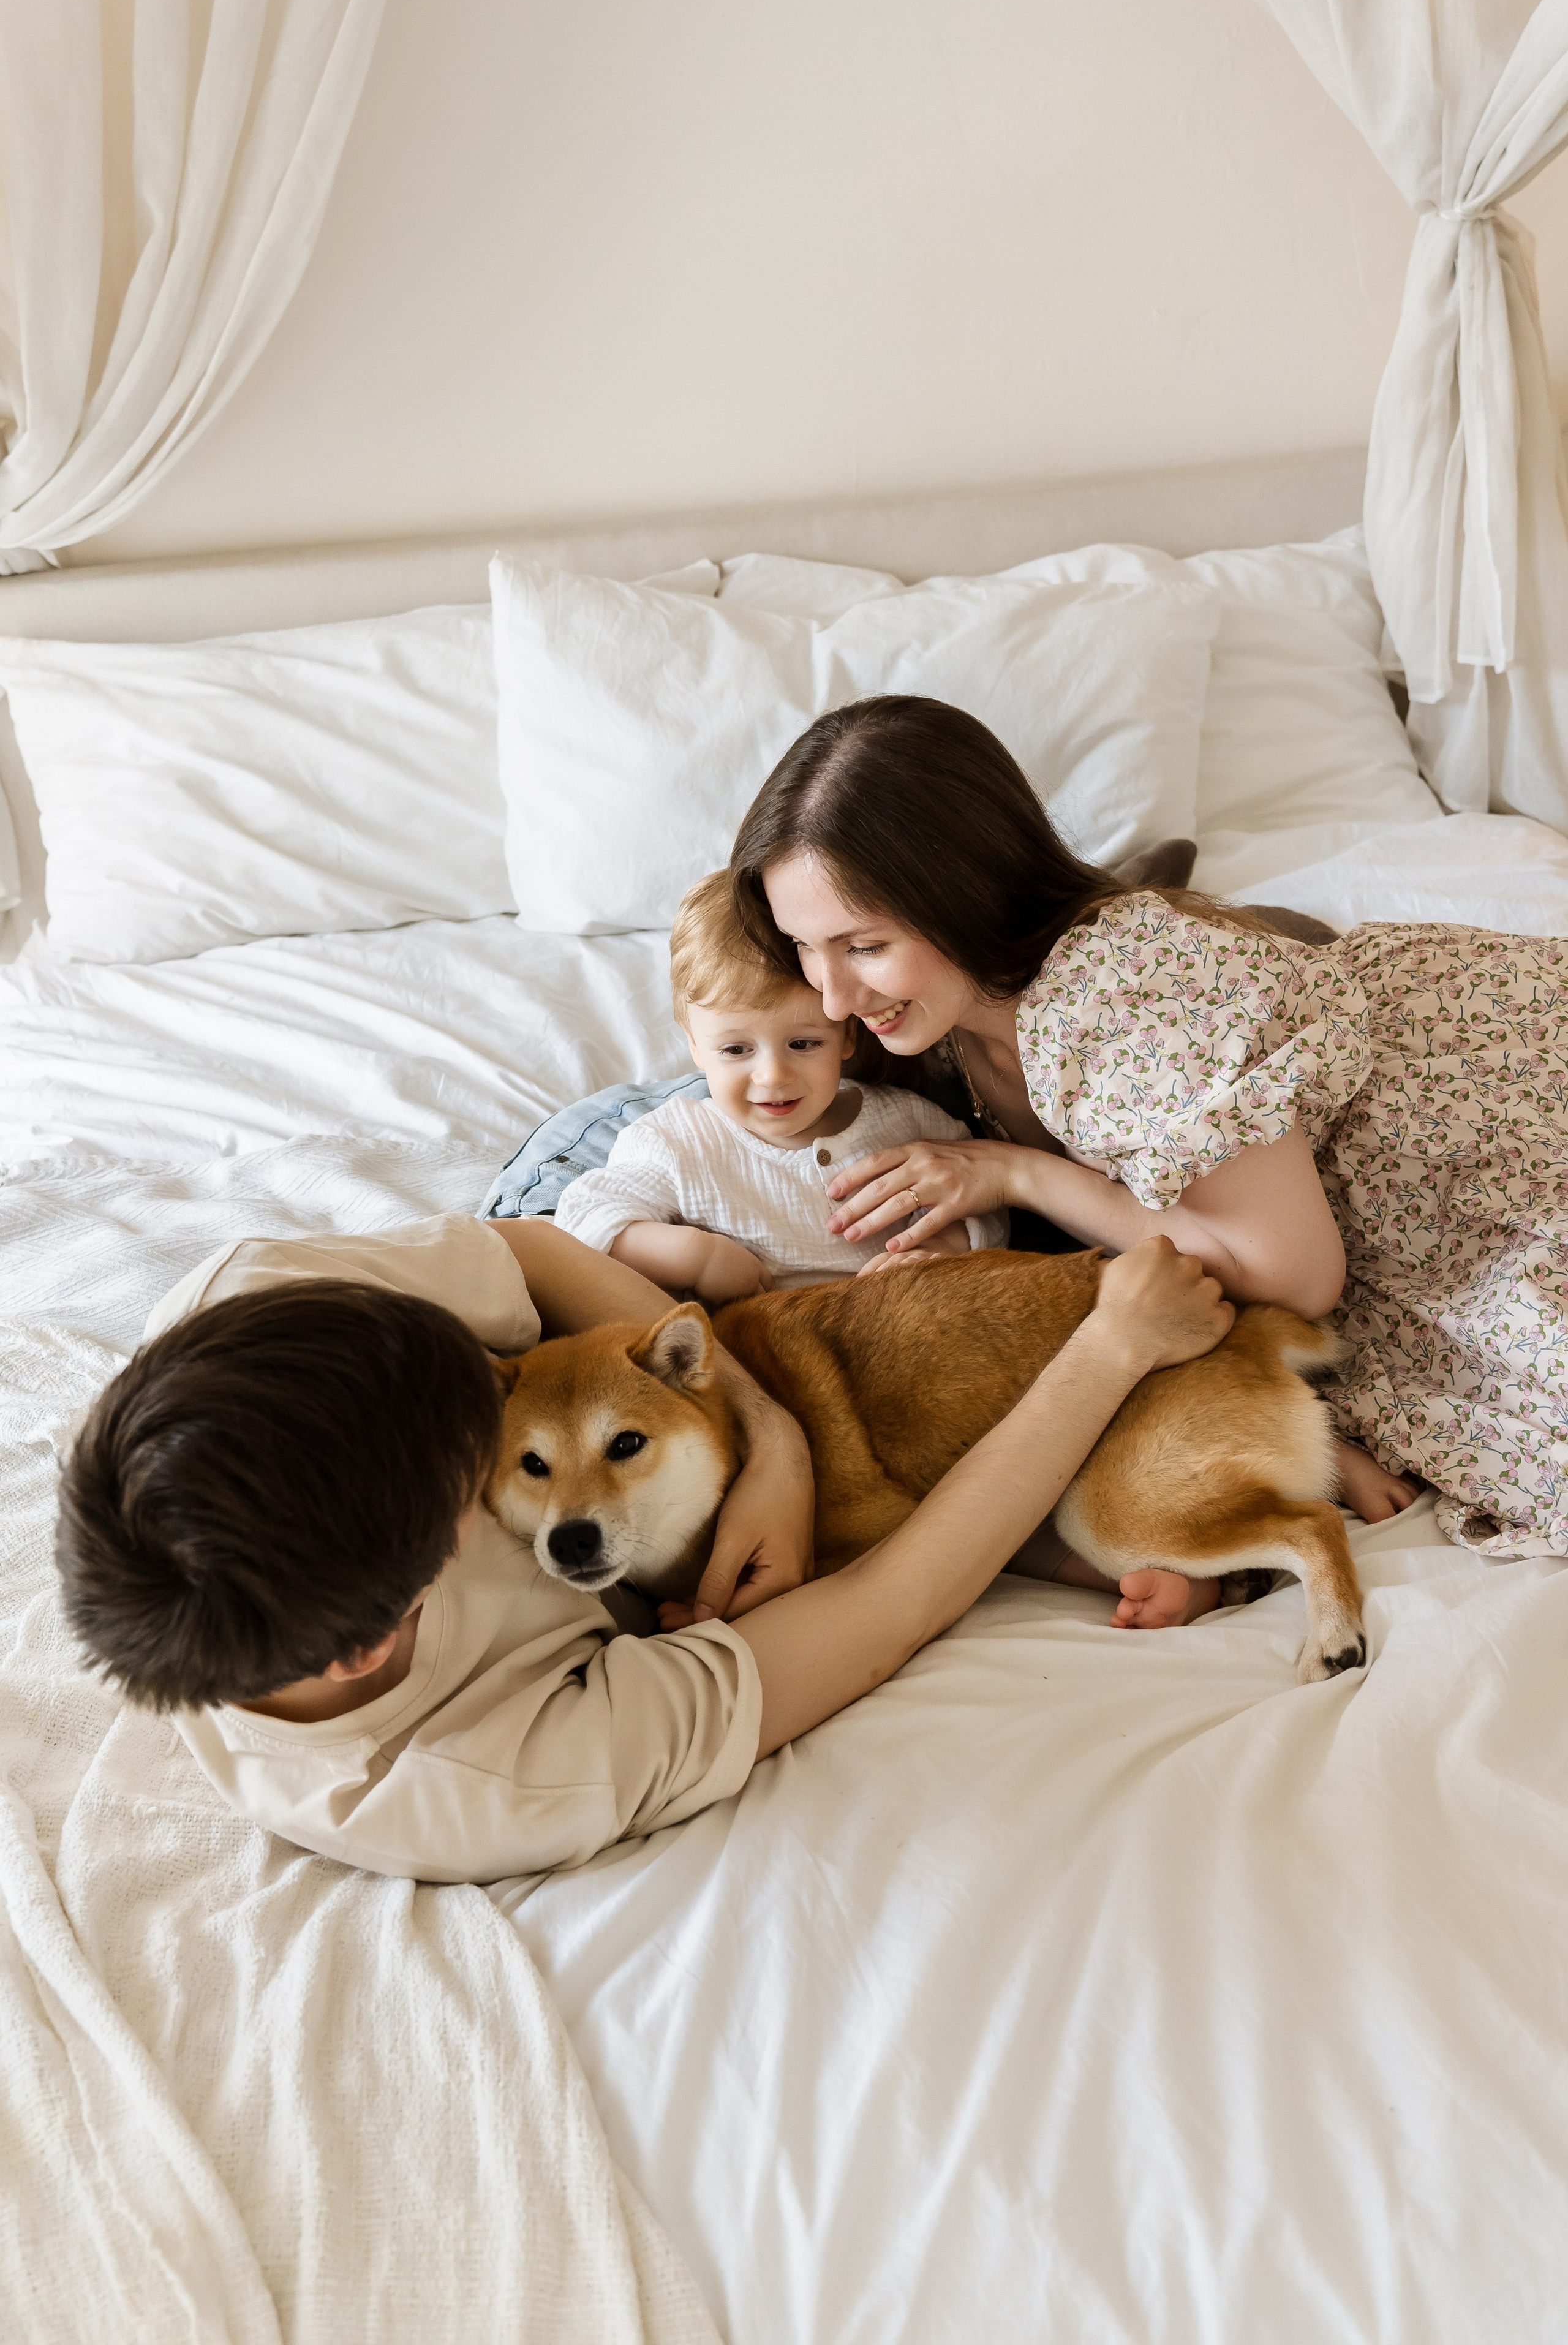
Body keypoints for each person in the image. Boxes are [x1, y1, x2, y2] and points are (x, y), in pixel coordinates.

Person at [51, 1210, 1230, 1884]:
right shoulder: (490, 1778)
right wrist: (1112, 1349)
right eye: (485, 1460)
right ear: (384, 1629)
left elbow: (525, 1252)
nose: (490, 1387)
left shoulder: (260, 1317)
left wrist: (771, 1438)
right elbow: (889, 1609)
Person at [731, 693, 1568, 1611]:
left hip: (1489, 1126)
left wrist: (1020, 1173)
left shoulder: (1112, 997)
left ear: (966, 892)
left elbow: (1289, 1277)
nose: (835, 997)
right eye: (807, 950)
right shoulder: (935, 1028)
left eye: (865, 947)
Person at [553, 870, 1007, 1297]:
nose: (773, 1076)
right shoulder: (676, 1142)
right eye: (735, 1050)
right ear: (694, 1045)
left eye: (804, 1044)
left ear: (847, 1035)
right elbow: (586, 1221)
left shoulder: (908, 1121)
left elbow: (980, 1204)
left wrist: (941, 1249)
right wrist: (698, 1258)